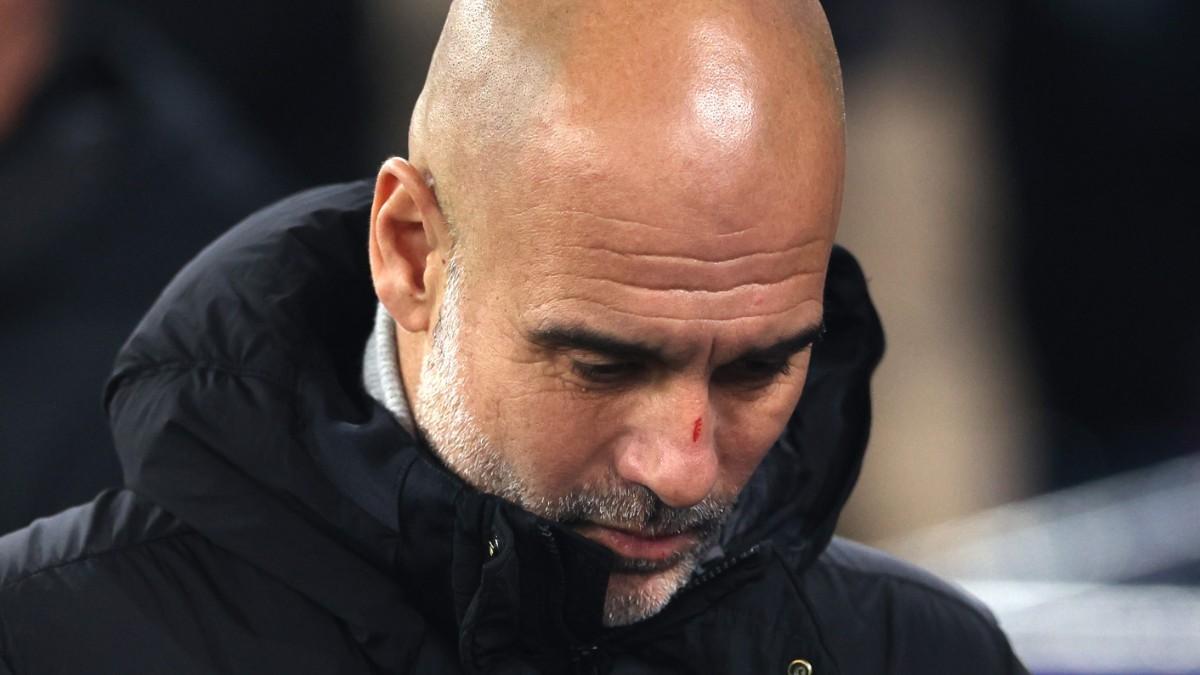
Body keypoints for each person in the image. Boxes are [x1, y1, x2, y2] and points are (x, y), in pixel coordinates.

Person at [0, 1, 1027, 672]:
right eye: (604, 361)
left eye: (761, 367)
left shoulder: (919, 656)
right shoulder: (50, 642)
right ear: (409, 251)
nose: (682, 467)